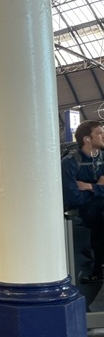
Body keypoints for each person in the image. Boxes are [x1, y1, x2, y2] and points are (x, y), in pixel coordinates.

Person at [62, 120, 104, 283]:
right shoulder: (70, 163)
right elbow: (73, 197)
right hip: (85, 214)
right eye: (99, 133)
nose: (103, 136)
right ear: (87, 139)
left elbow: (80, 192)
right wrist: (99, 189)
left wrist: (88, 187)